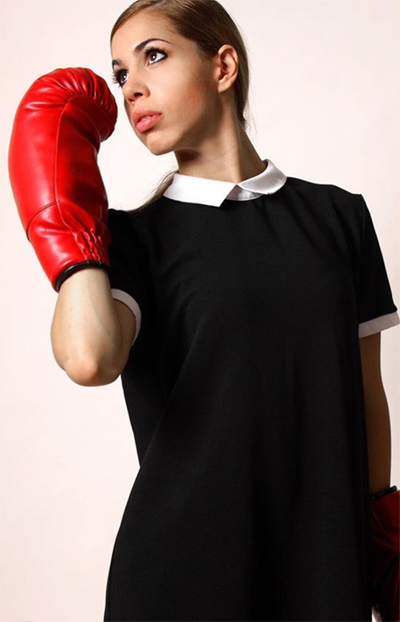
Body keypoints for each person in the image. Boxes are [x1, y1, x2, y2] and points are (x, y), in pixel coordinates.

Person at [7, 0, 400, 620]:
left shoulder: (339, 216)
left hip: (324, 563)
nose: (130, 88)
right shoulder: (132, 240)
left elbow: (367, 391)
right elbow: (88, 359)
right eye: (119, 74)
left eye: (153, 56)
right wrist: (70, 225)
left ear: (223, 66)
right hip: (182, 576)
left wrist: (384, 538)